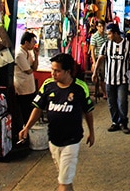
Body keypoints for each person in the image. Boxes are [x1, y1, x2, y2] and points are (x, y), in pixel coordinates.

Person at [18, 53, 94, 191]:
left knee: (63, 184)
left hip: (72, 140)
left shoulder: (80, 88)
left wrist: (91, 132)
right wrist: (27, 128)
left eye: (57, 71)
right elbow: (38, 108)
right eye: (52, 70)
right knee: (65, 179)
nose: (53, 73)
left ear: (68, 71)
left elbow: (88, 111)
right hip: (53, 140)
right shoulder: (48, 85)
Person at [92, 23, 130, 134]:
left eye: (109, 34)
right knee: (111, 102)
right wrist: (95, 72)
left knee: (122, 102)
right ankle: (115, 122)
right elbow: (100, 59)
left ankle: (123, 122)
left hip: (122, 80)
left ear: (115, 33)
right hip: (109, 79)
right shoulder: (107, 45)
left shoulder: (127, 45)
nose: (107, 36)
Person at [14, 31, 39, 129]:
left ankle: (28, 131)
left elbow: (35, 68)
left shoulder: (28, 52)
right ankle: (25, 133)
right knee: (26, 112)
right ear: (26, 42)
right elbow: (29, 70)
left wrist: (36, 55)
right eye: (33, 42)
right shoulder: (19, 54)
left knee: (30, 111)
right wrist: (32, 67)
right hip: (23, 89)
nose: (34, 44)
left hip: (29, 87)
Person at [89, 19, 108, 99]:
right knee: (102, 76)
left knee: (107, 75)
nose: (102, 28)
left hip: (106, 58)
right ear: (97, 27)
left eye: (103, 26)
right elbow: (92, 51)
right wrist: (94, 62)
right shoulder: (94, 37)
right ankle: (104, 93)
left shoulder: (106, 35)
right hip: (98, 58)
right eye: (100, 26)